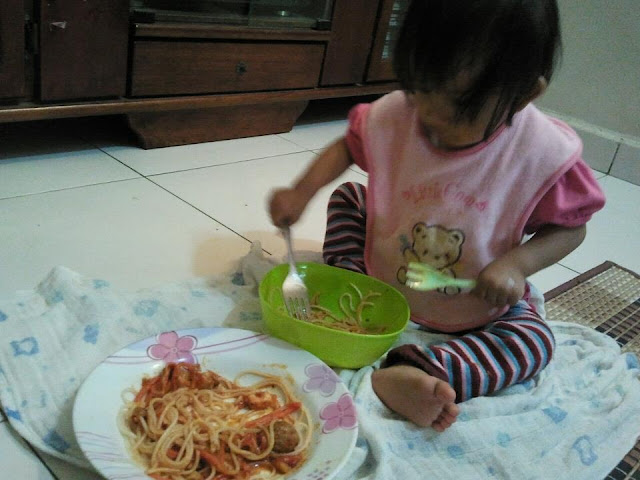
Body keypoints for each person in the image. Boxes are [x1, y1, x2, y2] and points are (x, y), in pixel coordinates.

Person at [268, 0, 605, 432]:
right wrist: (301, 192)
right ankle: (354, 282)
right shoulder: (403, 114)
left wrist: (517, 265)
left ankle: (419, 369)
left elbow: (571, 229)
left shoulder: (539, 154)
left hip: (472, 297)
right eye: (419, 91)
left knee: (533, 341)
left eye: (456, 108)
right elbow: (347, 147)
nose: (428, 117)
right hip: (385, 272)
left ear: (522, 94)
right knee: (350, 197)